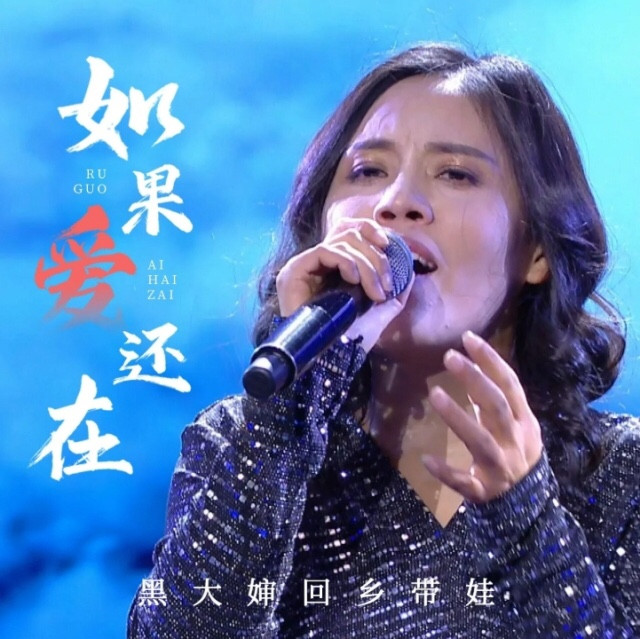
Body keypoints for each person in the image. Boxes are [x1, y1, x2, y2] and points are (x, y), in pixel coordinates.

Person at [127, 43, 639, 638]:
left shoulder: (619, 473)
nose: (396, 204)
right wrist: (285, 420)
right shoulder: (239, 443)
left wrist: (526, 521)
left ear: (538, 252)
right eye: (368, 172)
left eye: (456, 173)